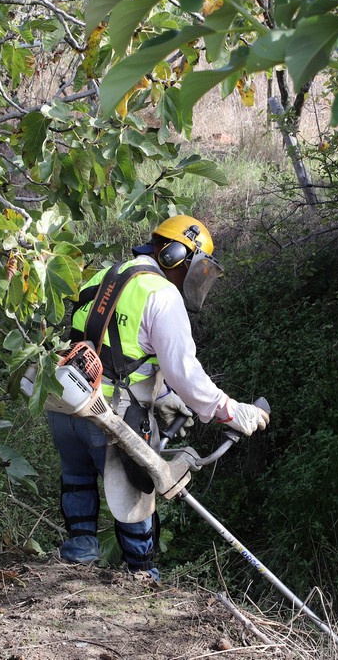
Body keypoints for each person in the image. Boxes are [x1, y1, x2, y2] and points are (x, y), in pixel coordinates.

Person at [47, 214, 269, 581]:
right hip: (109, 416)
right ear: (176, 254)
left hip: (65, 404)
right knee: (136, 491)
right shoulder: (160, 293)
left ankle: (78, 563)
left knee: (76, 477)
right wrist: (228, 410)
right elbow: (184, 370)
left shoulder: (102, 277)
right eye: (196, 268)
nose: (194, 279)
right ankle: (141, 576)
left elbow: (110, 347)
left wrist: (161, 394)